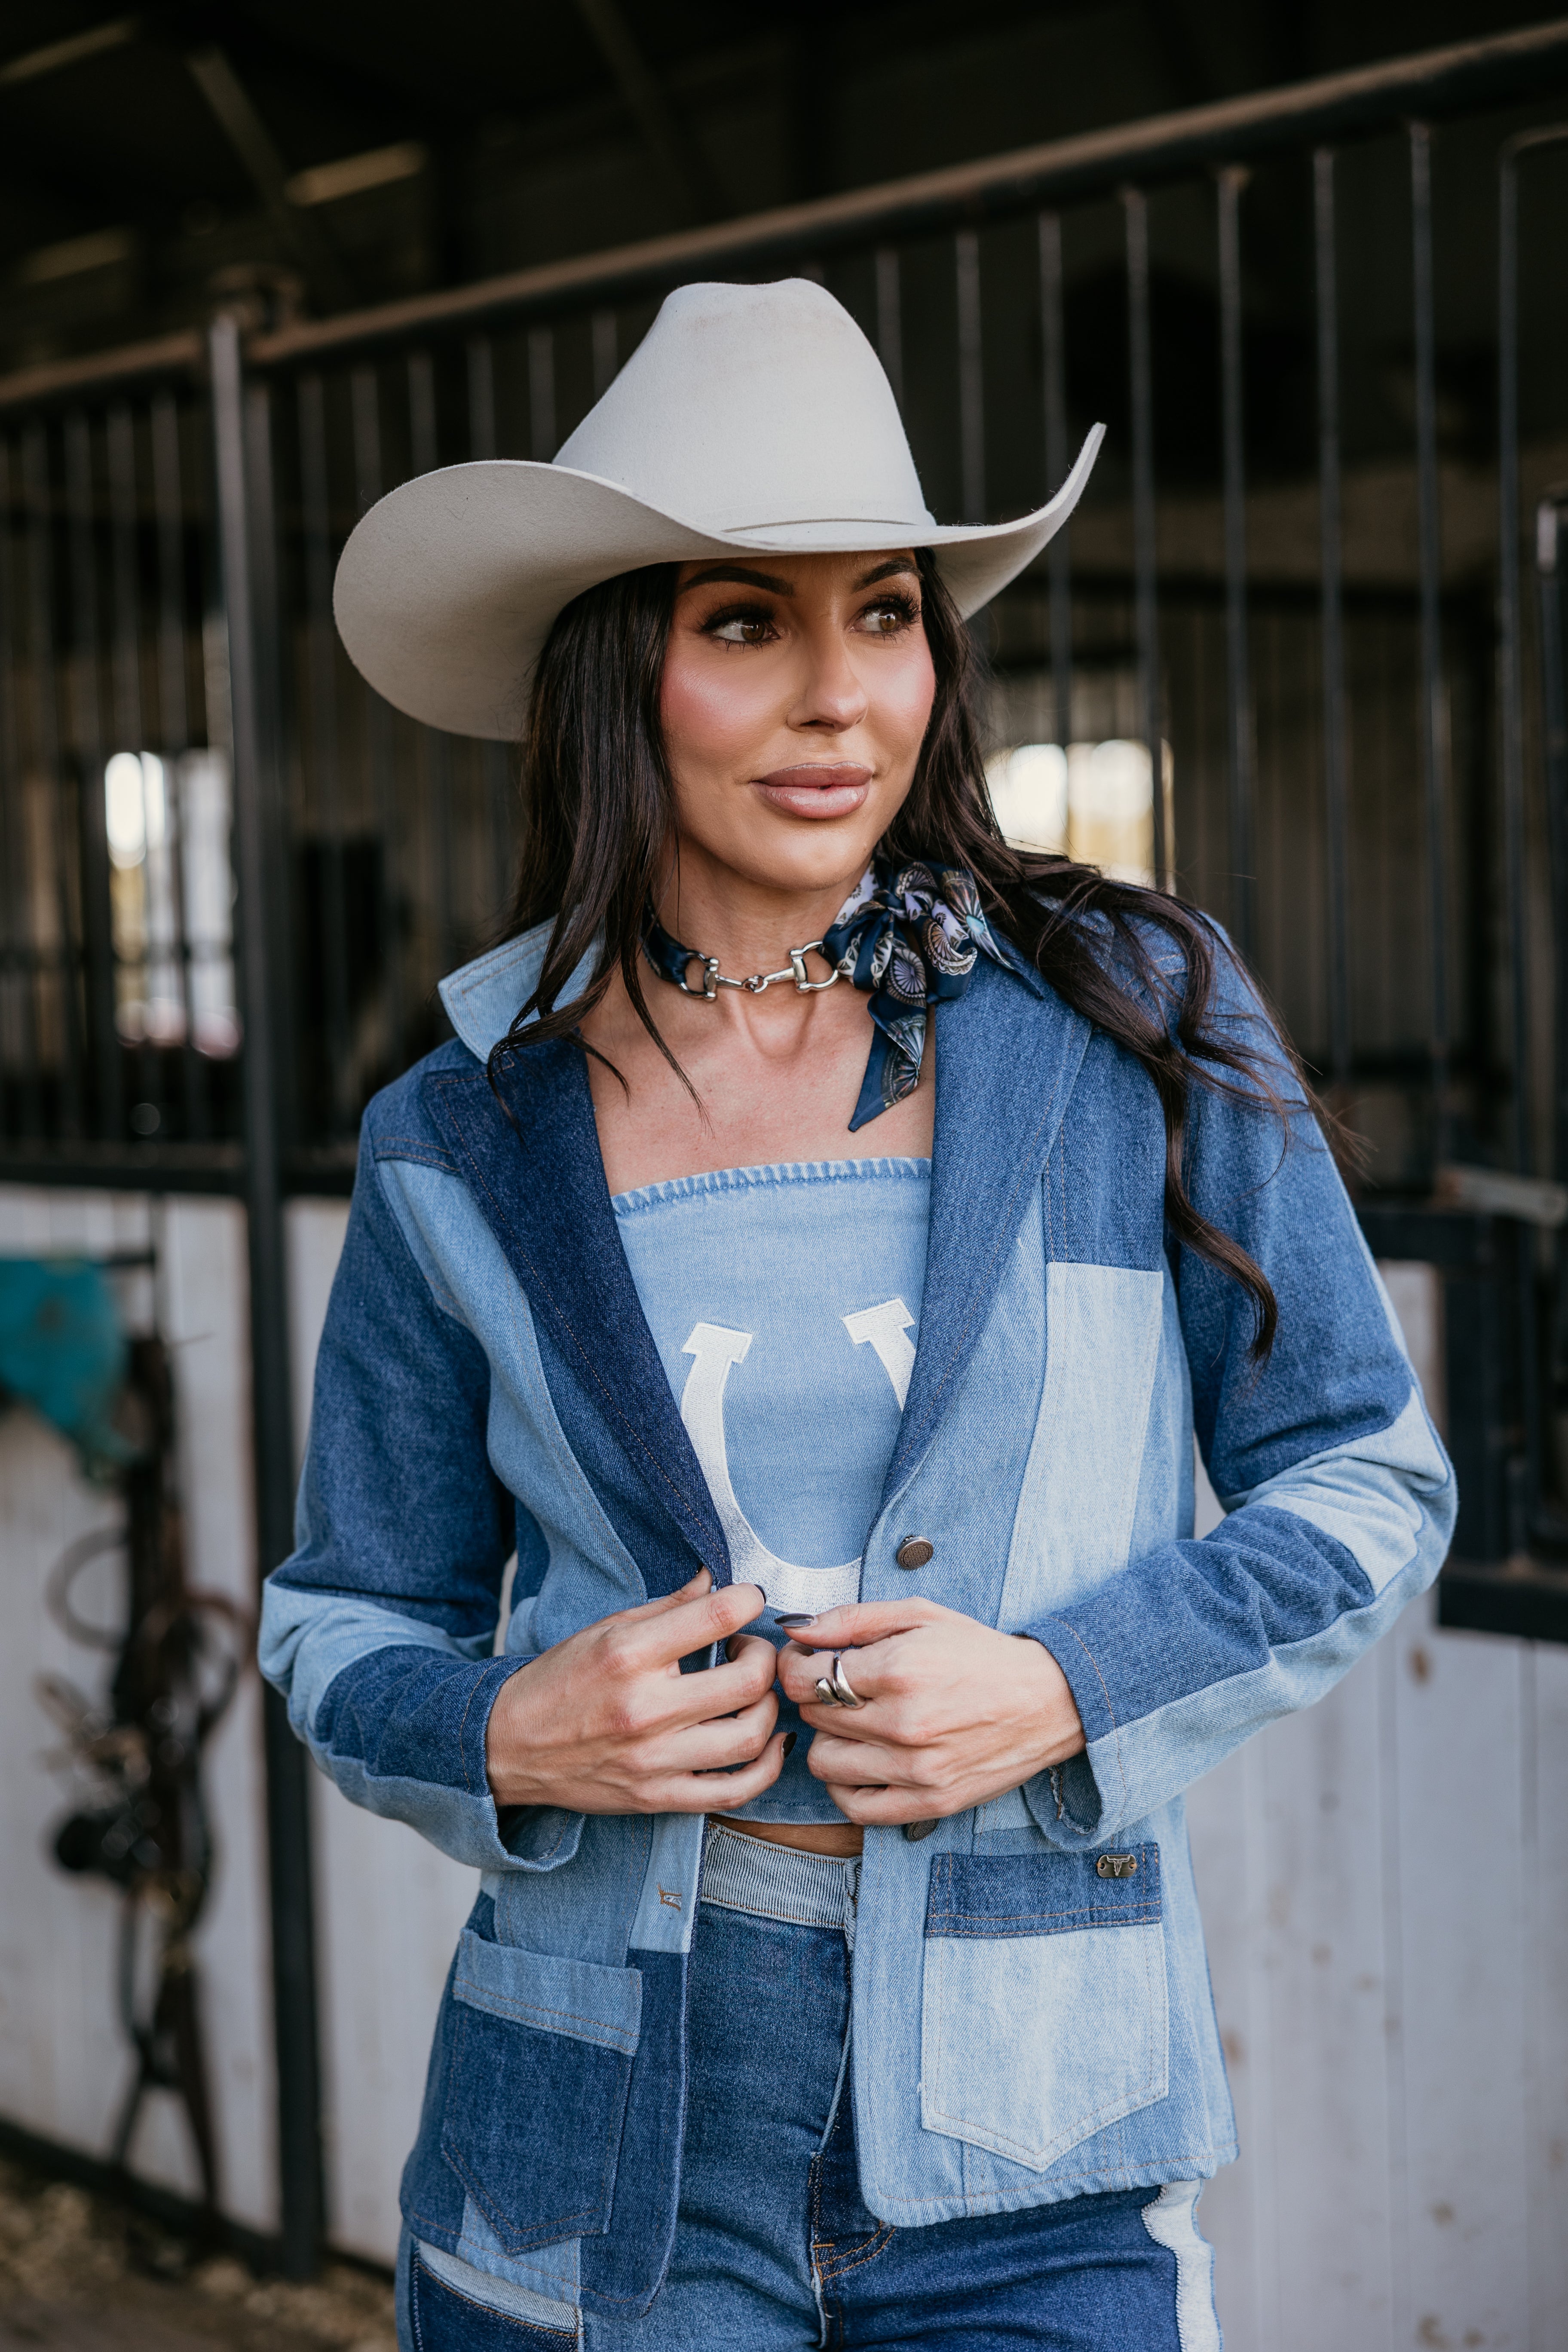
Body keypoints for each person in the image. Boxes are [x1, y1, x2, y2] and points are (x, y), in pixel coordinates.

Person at [262, 278, 1455, 2352]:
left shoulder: (1129, 1024)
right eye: (748, 623)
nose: (844, 698)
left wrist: (1069, 1684)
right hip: (595, 2133)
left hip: (1035, 2130)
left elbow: (1368, 1477)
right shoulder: (459, 1134)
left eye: (887, 613)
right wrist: (507, 1728)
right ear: (615, 674)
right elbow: (341, 1616)